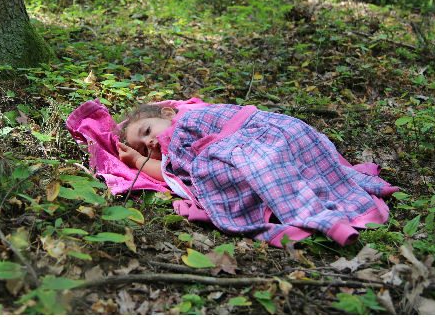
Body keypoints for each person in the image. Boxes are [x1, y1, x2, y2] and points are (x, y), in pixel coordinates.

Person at [111, 99, 397, 246]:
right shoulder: (172, 149)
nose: (150, 144)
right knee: (262, 170)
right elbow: (167, 172)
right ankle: (331, 215)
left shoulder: (186, 121)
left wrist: (141, 159)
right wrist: (138, 160)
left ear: (168, 115)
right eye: (146, 148)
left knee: (266, 166)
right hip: (268, 138)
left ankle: (331, 209)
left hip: (267, 132)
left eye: (147, 132)